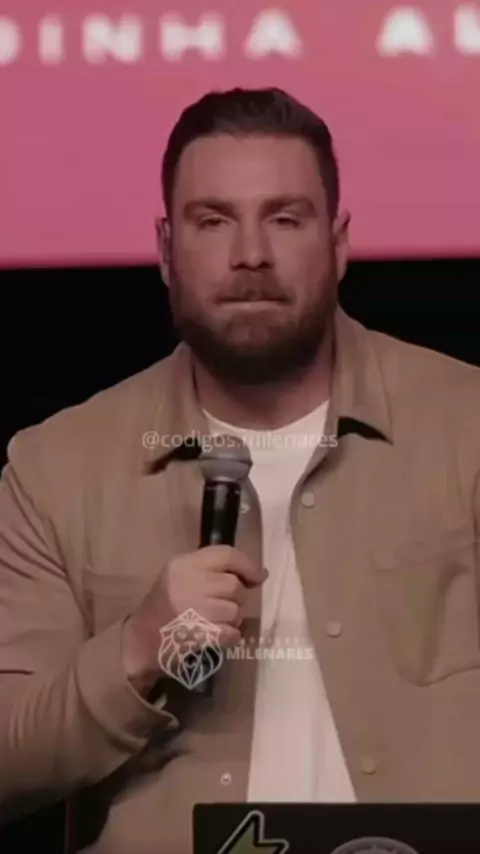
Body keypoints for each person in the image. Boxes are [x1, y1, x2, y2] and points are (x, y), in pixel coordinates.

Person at [1, 86, 480, 854]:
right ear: (165, 250)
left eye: (285, 219)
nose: (250, 254)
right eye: (213, 220)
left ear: (339, 243)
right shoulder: (57, 468)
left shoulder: (465, 425)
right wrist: (136, 648)